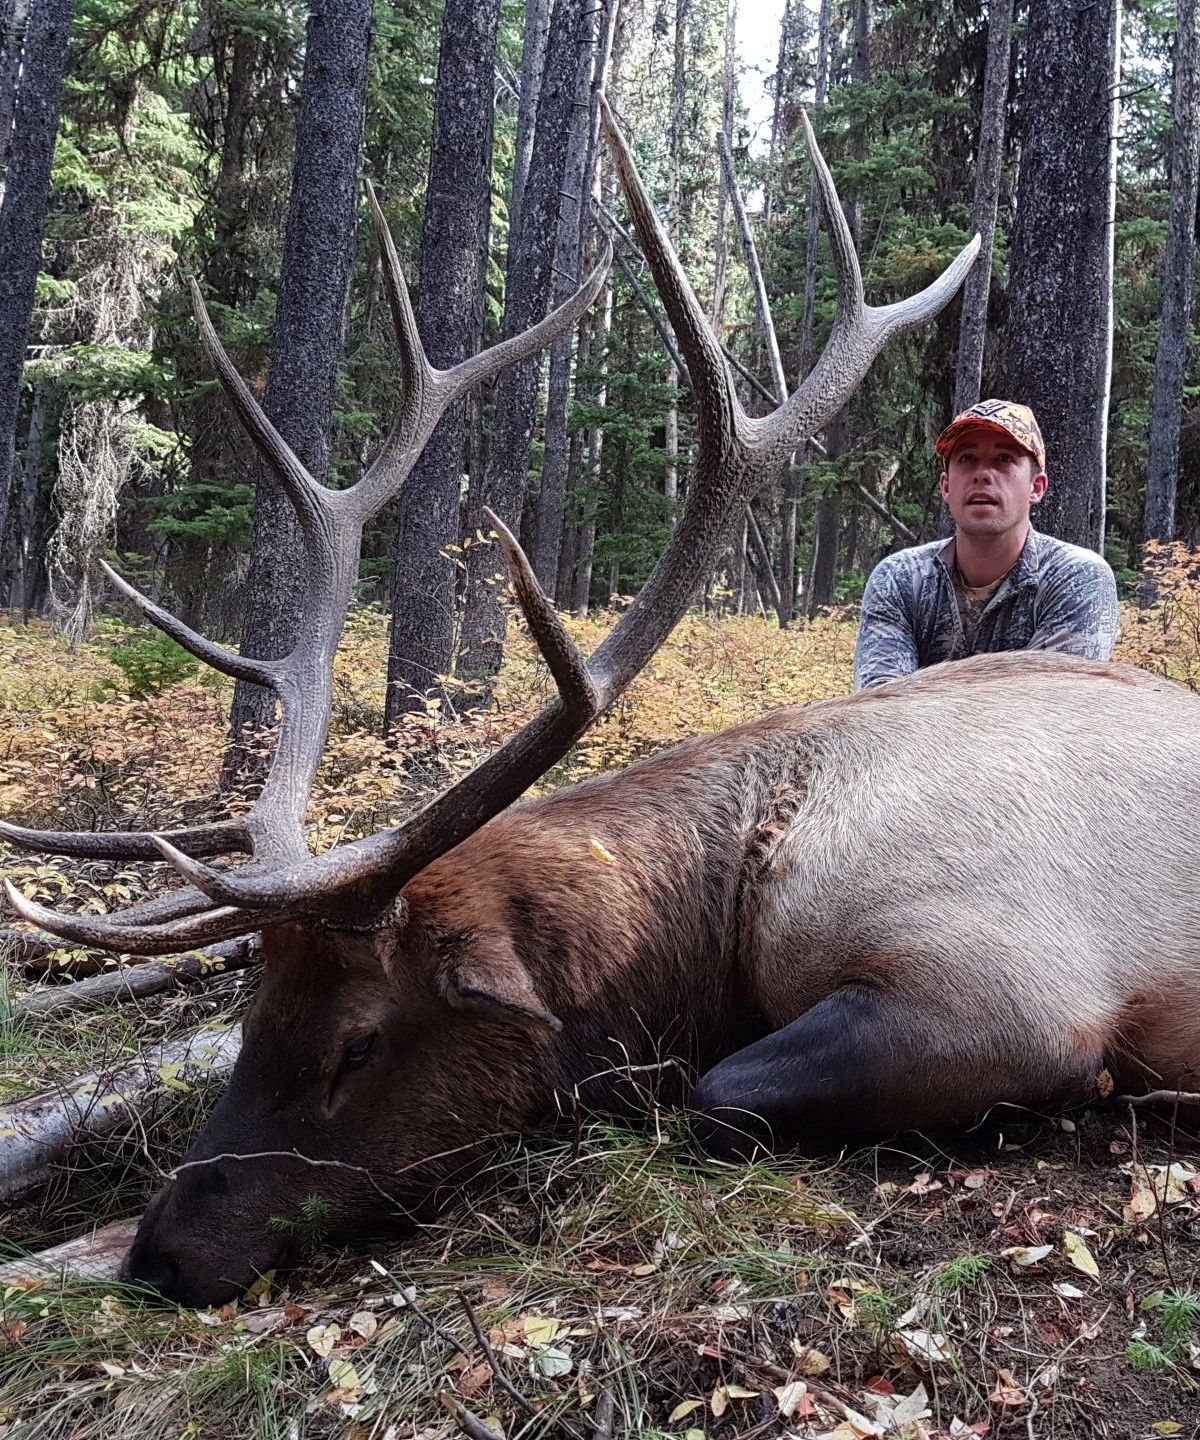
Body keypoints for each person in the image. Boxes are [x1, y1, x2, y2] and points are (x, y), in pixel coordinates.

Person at [852, 399, 1119, 691]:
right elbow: (878, 706)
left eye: (1004, 459)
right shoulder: (899, 578)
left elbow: (1051, 709)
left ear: (1036, 488)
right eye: (967, 459)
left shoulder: (1077, 578)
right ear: (946, 487)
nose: (982, 474)